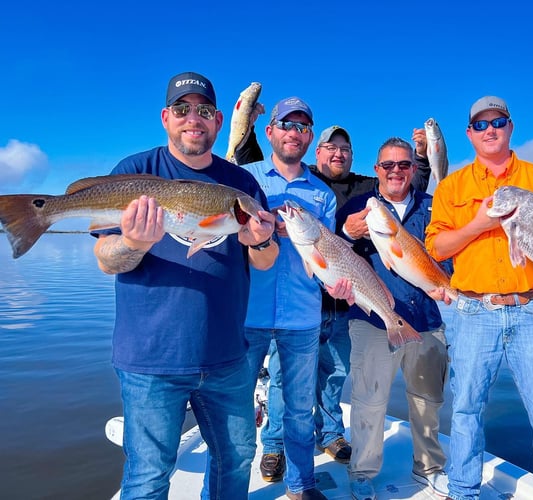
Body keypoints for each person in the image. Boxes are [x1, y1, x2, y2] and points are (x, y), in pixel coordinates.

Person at [93, 71, 278, 500]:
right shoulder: (136, 171)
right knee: (148, 476)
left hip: (229, 358)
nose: (192, 118)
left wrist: (262, 239)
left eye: (204, 111)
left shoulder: (243, 183)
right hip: (150, 361)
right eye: (182, 109)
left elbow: (265, 260)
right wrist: (134, 243)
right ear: (165, 117)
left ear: (218, 121)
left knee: (235, 461)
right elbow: (105, 259)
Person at [424, 96, 533, 500]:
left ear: (510, 126)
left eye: (497, 122)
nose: (490, 130)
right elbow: (437, 248)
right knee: (465, 412)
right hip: (472, 313)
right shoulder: (452, 186)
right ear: (469, 134)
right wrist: (479, 223)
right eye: (481, 125)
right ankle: (463, 492)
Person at [251, 124, 440, 478]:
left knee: (336, 373)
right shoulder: (311, 192)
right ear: (317, 152)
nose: (338, 154)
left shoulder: (364, 188)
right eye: (330, 147)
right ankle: (274, 444)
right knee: (282, 378)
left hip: (348, 304)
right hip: (302, 308)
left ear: (353, 157)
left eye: (345, 148)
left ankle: (332, 434)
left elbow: (403, 181)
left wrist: (423, 158)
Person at [336, 137, 449, 500]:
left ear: (414, 170)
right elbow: (334, 255)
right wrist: (346, 234)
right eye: (388, 165)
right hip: (373, 321)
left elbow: (448, 258)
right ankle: (363, 472)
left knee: (427, 402)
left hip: (428, 319)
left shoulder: (434, 209)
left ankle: (429, 467)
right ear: (377, 170)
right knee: (369, 402)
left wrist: (446, 283)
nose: (396, 171)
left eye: (403, 165)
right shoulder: (357, 208)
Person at [240, 96, 338, 500]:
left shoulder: (323, 194)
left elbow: (327, 251)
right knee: (234, 411)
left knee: (300, 410)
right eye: (286, 125)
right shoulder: (244, 178)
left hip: (302, 315)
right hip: (246, 312)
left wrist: (339, 283)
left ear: (309, 136)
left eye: (301, 127)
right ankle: (223, 490)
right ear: (270, 131)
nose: (293, 134)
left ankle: (302, 486)